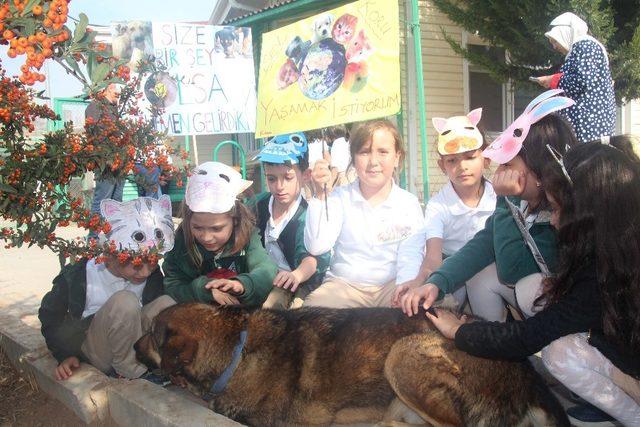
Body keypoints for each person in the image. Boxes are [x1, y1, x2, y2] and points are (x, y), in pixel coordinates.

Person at [425, 136, 640, 426]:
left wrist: (458, 332)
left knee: (559, 352)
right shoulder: (613, 245)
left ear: (587, 213)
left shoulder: (597, 277)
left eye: (558, 209)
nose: (553, 220)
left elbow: (528, 335)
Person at [399, 90, 578, 321]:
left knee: (526, 288)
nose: (499, 173)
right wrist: (436, 282)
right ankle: (493, 342)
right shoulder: (521, 199)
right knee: (480, 275)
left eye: (507, 165)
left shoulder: (561, 211)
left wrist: (505, 202)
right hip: (541, 299)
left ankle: (515, 343)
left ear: (538, 169)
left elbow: (512, 270)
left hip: (567, 308)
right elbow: (483, 244)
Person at [38, 196, 176, 381]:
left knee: (167, 305)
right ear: (111, 255)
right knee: (125, 301)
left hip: (134, 341)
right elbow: (50, 315)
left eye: (151, 264)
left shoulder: (151, 275)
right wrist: (64, 354)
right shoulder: (78, 275)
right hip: (99, 350)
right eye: (136, 265)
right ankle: (129, 371)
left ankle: (160, 363)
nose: (144, 273)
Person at [303, 119, 423, 308]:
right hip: (343, 286)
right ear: (353, 157)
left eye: (383, 152)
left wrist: (405, 285)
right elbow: (316, 247)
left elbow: (412, 253)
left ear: (397, 157)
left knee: (422, 309)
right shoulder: (339, 198)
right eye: (364, 152)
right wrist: (320, 195)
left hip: (393, 285)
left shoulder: (408, 203)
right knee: (312, 314)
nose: (373, 161)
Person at [394, 109, 496, 309]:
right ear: (442, 165)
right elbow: (433, 258)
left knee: (485, 287)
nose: (462, 166)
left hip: (487, 268)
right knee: (438, 303)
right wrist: (415, 283)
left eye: (469, 156)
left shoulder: (499, 198)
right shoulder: (437, 206)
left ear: (486, 159)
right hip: (450, 269)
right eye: (452, 160)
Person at [162, 161, 277, 306]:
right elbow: (172, 284)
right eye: (197, 228)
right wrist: (203, 290)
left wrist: (242, 285)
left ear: (235, 220)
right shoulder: (181, 241)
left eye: (216, 229)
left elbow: (266, 270)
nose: (206, 237)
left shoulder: (248, 236)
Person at [252, 132, 330, 309]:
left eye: (288, 178)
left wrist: (296, 275)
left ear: (306, 175)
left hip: (297, 283)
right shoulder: (257, 205)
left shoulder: (308, 214)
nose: (279, 186)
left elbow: (312, 259)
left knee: (273, 310)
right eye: (271, 178)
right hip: (262, 277)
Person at [536, 12, 616, 143]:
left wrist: (553, 80)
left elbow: (581, 81)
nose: (554, 46)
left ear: (566, 33)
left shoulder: (585, 46)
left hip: (588, 124)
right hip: (589, 124)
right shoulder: (582, 49)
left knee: (585, 161)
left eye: (555, 41)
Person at [86, 83, 124, 239]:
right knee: (102, 200)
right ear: (109, 88)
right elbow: (95, 135)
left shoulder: (113, 108)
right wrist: (105, 157)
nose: (119, 94)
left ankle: (114, 237)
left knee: (116, 201)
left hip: (119, 160)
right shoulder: (95, 107)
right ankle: (93, 240)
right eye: (117, 92)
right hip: (105, 162)